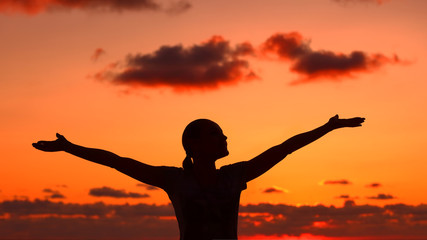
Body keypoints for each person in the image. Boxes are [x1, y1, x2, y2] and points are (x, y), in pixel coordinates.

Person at [32, 114, 364, 240]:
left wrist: (327, 127)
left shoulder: (236, 176)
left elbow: (285, 147)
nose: (225, 138)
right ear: (194, 144)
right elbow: (117, 162)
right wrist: (69, 147)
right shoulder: (175, 180)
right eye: (217, 134)